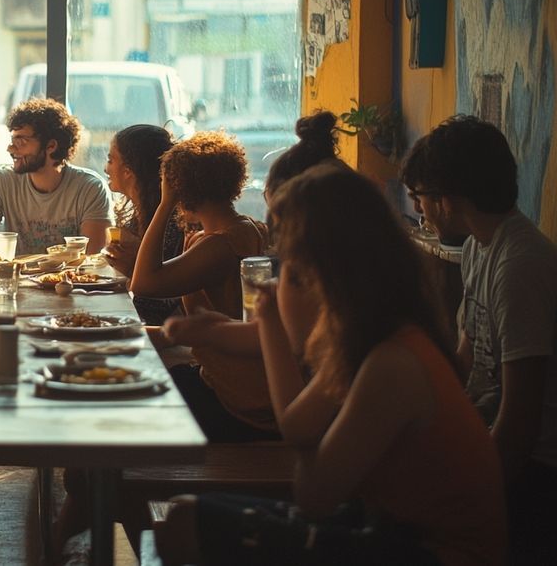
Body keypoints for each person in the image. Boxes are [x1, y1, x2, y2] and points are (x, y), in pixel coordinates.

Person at [158, 165, 506, 566]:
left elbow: (314, 494)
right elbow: (300, 428)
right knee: (182, 517)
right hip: (390, 528)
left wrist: (271, 324)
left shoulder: (392, 362)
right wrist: (234, 329)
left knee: (186, 525)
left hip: (430, 551)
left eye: (287, 264)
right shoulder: (375, 332)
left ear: (320, 272)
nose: (281, 277)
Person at [401, 115, 557, 566]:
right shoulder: (476, 247)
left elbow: (521, 423)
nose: (421, 211)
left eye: (420, 199)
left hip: (535, 474)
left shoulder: (520, 266)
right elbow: (463, 364)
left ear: (446, 199)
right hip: (489, 439)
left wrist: (467, 503)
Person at [154, 112, 341, 385]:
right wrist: (208, 331)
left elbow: (146, 282)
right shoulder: (254, 238)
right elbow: (259, 335)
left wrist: (210, 332)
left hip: (235, 393)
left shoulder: (227, 245)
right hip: (235, 379)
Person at [131, 131, 275, 441]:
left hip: (230, 396)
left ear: (181, 187)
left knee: (116, 408)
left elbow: (143, 283)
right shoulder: (249, 227)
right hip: (227, 377)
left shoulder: (220, 246)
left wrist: (165, 203)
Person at [0, 97, 112, 255]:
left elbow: (93, 258)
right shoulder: (2, 183)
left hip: (69, 279)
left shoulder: (90, 188)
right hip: (15, 278)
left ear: (51, 146)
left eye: (21, 141)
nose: (11, 148)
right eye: (12, 140)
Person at [102, 123, 184, 324]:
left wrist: (133, 269)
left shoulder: (173, 223)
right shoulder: (135, 218)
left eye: (111, 160)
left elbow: (158, 308)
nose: (105, 168)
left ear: (128, 171)